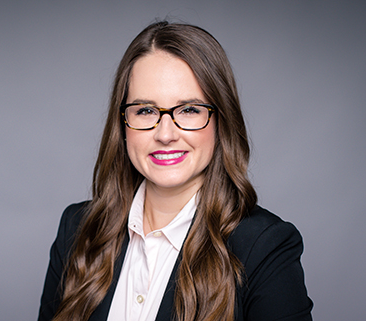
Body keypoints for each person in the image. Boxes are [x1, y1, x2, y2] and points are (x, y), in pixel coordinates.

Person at [37, 21, 313, 321]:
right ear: (123, 124)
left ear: (221, 120)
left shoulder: (265, 247)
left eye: (189, 110)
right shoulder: (77, 230)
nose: (165, 133)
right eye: (145, 110)